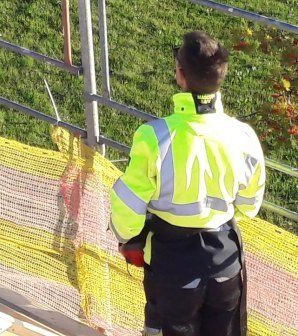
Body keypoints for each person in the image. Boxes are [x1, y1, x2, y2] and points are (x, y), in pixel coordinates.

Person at [110, 30, 266, 336]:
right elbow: (250, 206)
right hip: (225, 263)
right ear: (223, 75)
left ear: (180, 75)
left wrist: (127, 237)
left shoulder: (154, 136)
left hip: (172, 267)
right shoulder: (243, 136)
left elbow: (128, 206)